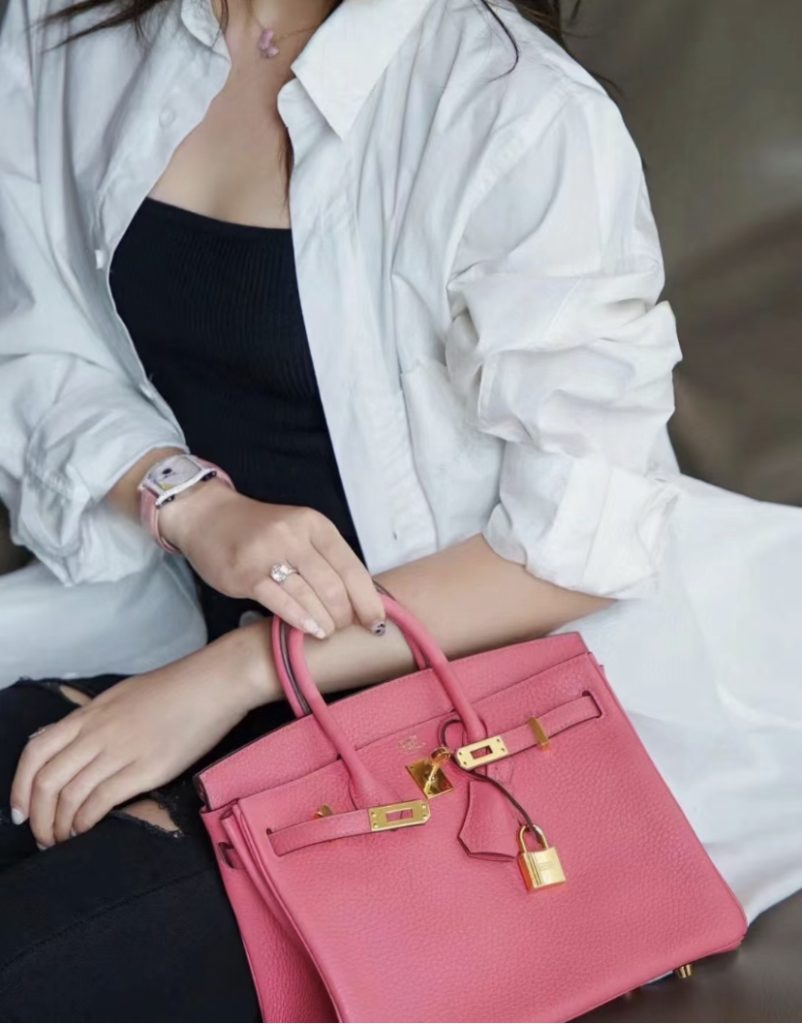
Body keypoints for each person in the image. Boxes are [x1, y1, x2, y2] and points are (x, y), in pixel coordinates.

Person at [0, 0, 800, 1018]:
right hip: (164, 629)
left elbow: (580, 541)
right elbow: (42, 348)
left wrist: (241, 672)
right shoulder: (59, 31)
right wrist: (189, 502)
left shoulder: (513, 110)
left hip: (467, 717)